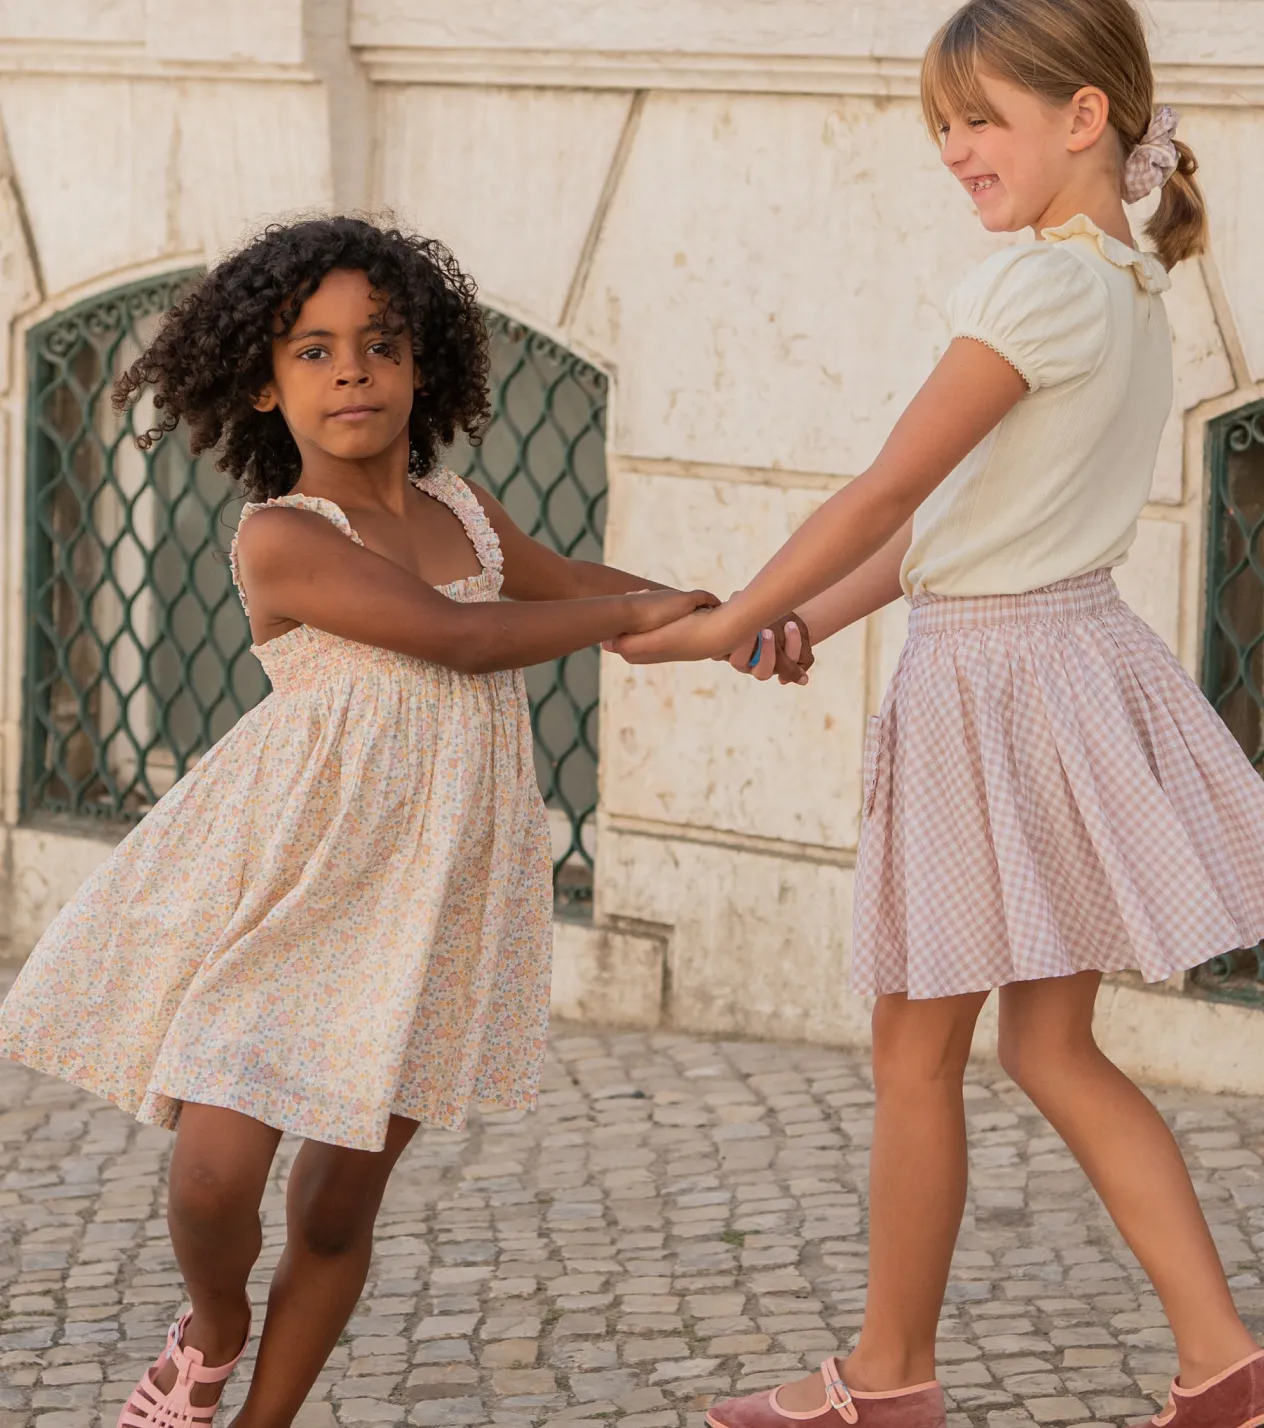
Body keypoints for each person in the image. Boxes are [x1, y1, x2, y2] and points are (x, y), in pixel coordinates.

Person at [611, 4, 1264, 1427]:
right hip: (1064, 666)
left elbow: (888, 490)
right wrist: (802, 622)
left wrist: (716, 617)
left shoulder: (1026, 292)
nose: (953, 150)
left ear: (1083, 118)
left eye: (980, 118)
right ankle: (1222, 1363)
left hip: (991, 693)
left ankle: (886, 1383)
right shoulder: (1125, 286)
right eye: (939, 125)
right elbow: (958, 517)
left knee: (916, 1056)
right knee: (1050, 1046)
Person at [0, 215, 773, 1428]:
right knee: (213, 1177)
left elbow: (584, 592)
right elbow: (465, 637)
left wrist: (731, 623)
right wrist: (648, 609)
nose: (351, 370)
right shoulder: (283, 537)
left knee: (333, 1212)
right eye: (311, 351)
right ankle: (211, 1329)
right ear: (262, 385)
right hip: (293, 884)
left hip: (429, 899)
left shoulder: (465, 514)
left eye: (379, 343)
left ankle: (260, 1422)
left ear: (425, 366)